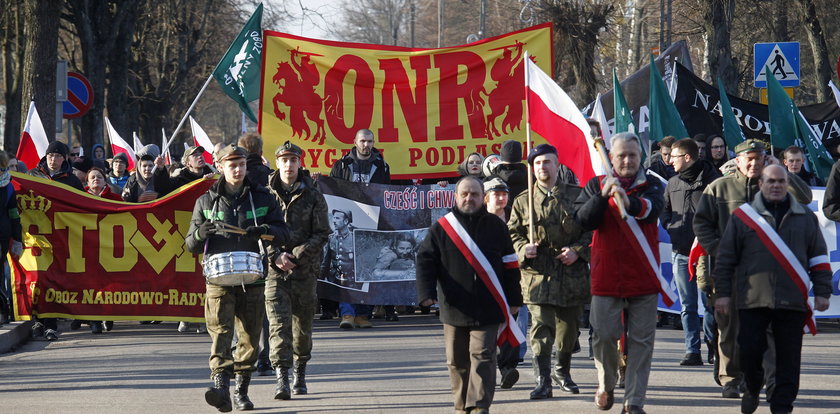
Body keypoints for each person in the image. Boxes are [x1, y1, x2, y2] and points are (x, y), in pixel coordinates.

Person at [693, 139, 812, 399]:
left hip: (766, 274)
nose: (754, 163)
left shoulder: (773, 185)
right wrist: (718, 250)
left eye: (759, 158)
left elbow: (806, 197)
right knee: (729, 327)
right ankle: (731, 378)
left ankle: (755, 377)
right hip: (730, 271)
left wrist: (781, 170)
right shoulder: (719, 188)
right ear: (738, 160)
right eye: (749, 159)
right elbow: (701, 223)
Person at [713, 164, 831, 414]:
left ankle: (782, 405)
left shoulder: (805, 217)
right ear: (761, 184)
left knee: (788, 360)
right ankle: (753, 387)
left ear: (787, 184)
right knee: (750, 352)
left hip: (792, 302)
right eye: (771, 181)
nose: (776, 185)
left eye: (781, 181)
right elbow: (725, 259)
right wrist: (722, 294)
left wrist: (822, 291)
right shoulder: (743, 217)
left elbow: (819, 256)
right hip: (752, 300)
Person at [185, 144, 289, 412]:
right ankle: (221, 388)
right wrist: (200, 234)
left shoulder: (262, 198)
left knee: (250, 338)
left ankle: (241, 390)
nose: (238, 169)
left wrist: (264, 230)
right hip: (218, 281)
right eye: (232, 165)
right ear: (220, 166)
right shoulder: (206, 201)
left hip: (252, 279)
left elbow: (283, 232)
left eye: (241, 164)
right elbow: (190, 244)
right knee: (220, 333)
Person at [574, 132, 666, 414]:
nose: (627, 160)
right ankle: (606, 383)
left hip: (643, 275)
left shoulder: (652, 185)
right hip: (606, 275)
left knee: (642, 341)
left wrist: (630, 202)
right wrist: (603, 198)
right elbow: (582, 220)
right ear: (611, 158)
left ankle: (634, 400)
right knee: (602, 335)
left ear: (641, 158)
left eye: (632, 155)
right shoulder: (595, 185)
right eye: (621, 155)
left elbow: (651, 210)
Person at [416, 176, 523, 414]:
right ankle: (462, 405)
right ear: (455, 196)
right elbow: (425, 261)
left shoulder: (496, 226)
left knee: (483, 356)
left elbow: (510, 264)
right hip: (454, 306)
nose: (469, 198)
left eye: (474, 194)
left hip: (488, 306)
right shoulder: (442, 227)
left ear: (482, 197)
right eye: (464, 193)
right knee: (456, 361)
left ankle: (479, 406)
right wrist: (425, 293)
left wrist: (515, 299)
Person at [509, 144, 591, 400]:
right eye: (537, 164)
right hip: (538, 275)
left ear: (557, 165)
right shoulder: (523, 201)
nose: (542, 167)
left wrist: (577, 251)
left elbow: (592, 231)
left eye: (547, 162)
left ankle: (562, 370)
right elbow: (512, 233)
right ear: (532, 169)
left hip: (570, 274)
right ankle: (543, 380)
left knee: (569, 329)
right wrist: (523, 249)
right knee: (541, 327)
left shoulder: (577, 196)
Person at [265, 141, 330, 400]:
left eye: (293, 160)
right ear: (277, 162)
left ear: (299, 162)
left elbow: (322, 233)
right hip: (274, 271)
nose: (289, 165)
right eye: (284, 160)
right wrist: (276, 256)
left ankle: (299, 373)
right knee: (278, 326)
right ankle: (281, 377)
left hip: (305, 270)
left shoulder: (313, 195)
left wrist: (298, 255)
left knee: (302, 328)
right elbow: (258, 231)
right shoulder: (264, 194)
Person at [661, 138, 720, 367]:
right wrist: (669, 226)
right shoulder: (672, 182)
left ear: (687, 157)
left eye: (674, 156)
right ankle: (691, 350)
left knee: (709, 303)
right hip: (680, 252)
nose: (670, 161)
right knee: (687, 306)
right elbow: (665, 210)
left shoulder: (713, 181)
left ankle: (713, 347)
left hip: (706, 253)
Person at [329, 129, 390, 328]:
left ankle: (363, 315)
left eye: (370, 141)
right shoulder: (341, 165)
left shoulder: (381, 165)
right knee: (345, 269)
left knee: (368, 270)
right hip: (348, 223)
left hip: (372, 223)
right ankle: (347, 314)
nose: (366, 145)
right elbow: (331, 191)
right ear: (354, 141)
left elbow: (387, 193)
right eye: (363, 141)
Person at [26, 141, 83, 340]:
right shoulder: (32, 176)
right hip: (37, 238)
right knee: (37, 279)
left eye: (58, 156)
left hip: (60, 237)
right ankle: (38, 321)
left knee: (54, 279)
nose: (54, 160)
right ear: (46, 156)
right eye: (51, 155)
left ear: (64, 158)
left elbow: (83, 207)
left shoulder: (72, 181)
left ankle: (51, 324)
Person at [0, 152, 22, 326]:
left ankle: (3, 311)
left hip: (2, 236)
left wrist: (17, 239)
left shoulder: (8, 188)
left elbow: (14, 215)